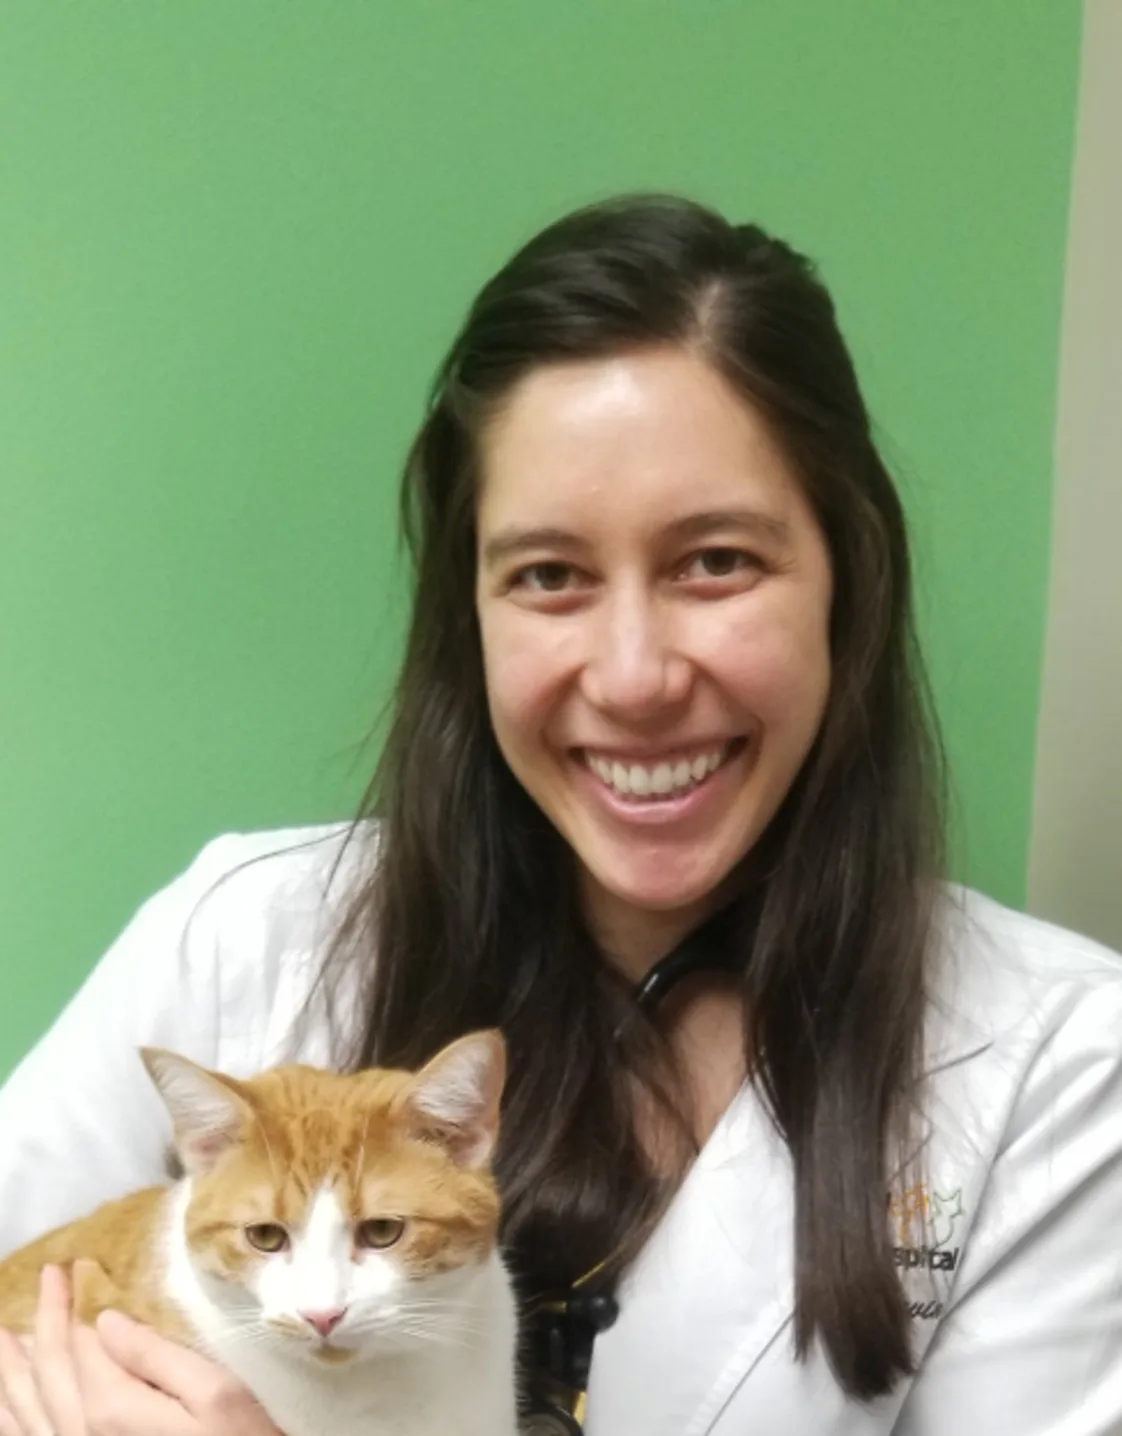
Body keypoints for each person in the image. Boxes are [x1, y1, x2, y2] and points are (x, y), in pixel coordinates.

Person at [1, 194, 1121, 1436]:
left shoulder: (1056, 1069)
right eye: (549, 575)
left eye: (716, 561)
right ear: (466, 612)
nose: (634, 675)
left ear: (847, 580)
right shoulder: (235, 936)